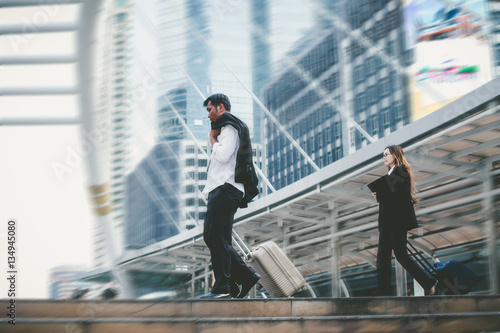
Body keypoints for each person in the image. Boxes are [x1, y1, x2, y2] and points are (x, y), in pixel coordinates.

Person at [199, 93, 260, 299]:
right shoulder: (226, 127)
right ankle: (244, 276)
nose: (208, 115)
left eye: (209, 110)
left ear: (221, 108)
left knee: (219, 238)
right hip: (220, 189)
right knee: (212, 237)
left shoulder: (230, 127)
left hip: (226, 188)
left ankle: (224, 286)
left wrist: (212, 140)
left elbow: (224, 155)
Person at [373, 145, 437, 296]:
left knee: (400, 255)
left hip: (396, 221)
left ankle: (428, 283)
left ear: (395, 155)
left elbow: (399, 197)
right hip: (388, 223)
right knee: (383, 258)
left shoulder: (401, 171)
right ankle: (383, 295)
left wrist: (380, 196)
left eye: (386, 154)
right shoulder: (389, 174)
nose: (384, 157)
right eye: (383, 155)